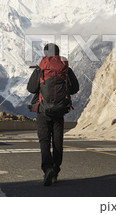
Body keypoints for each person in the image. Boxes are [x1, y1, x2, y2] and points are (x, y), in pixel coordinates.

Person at [27, 43, 79, 186]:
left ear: (45, 53)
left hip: (43, 111)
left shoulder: (41, 68)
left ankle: (47, 168)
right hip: (60, 110)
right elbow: (76, 88)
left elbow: (31, 88)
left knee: (44, 140)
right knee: (57, 141)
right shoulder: (65, 68)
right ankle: (55, 171)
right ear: (58, 53)